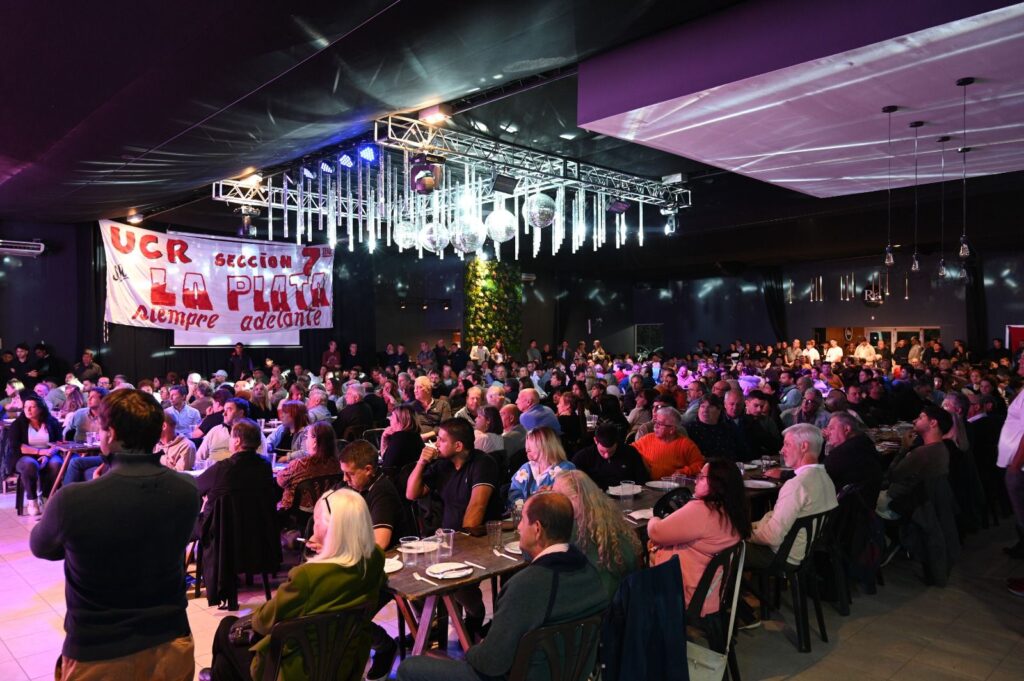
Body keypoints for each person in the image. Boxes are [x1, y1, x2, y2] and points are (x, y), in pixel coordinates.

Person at [30, 389, 200, 680]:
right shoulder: (187, 489)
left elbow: (42, 546)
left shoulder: (73, 500)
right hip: (171, 643)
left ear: (110, 434)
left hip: (98, 653)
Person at [395, 492, 608, 681]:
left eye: (522, 519)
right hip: (572, 673)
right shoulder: (591, 573)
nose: (518, 527)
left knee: (410, 667)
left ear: (537, 529)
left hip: (522, 675)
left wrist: (472, 651)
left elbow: (492, 663)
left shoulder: (527, 585)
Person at [205, 488, 384, 681]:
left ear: (329, 528)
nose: (313, 526)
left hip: (298, 671)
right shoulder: (375, 559)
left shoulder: (306, 576)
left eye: (316, 521)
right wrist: (328, 548)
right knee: (224, 663)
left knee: (226, 628)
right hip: (345, 665)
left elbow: (265, 620)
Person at [405, 418, 503, 636]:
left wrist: (454, 546)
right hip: (449, 538)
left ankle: (474, 614)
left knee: (452, 578)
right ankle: (434, 626)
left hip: (479, 539)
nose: (435, 444)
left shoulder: (483, 463)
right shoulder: (443, 465)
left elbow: (475, 511)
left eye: (441, 440)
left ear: (458, 446)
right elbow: (411, 493)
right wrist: (421, 463)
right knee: (415, 572)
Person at [647, 459, 751, 615]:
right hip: (713, 591)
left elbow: (656, 532)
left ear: (717, 484)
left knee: (645, 548)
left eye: (702, 477)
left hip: (686, 594)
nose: (696, 480)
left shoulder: (704, 510)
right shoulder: (734, 508)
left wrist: (654, 519)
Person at [746, 424, 838, 576]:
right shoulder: (826, 478)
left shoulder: (797, 485)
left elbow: (771, 537)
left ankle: (727, 589)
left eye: (787, 444)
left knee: (722, 547)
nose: (782, 450)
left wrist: (742, 533)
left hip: (784, 556)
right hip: (804, 552)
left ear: (804, 446)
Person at [552, 470, 642, 599]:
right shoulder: (613, 520)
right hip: (627, 597)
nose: (553, 502)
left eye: (558, 497)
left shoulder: (573, 531)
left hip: (599, 602)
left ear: (576, 499)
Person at [11, 394, 64, 515]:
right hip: (24, 456)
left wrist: (47, 455)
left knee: (56, 464)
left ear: (40, 409)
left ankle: (47, 496)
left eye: (32, 407)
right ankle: (32, 500)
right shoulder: (18, 424)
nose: (28, 410)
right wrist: (40, 452)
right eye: (26, 407)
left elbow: (58, 443)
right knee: (30, 464)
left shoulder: (52, 422)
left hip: (49, 454)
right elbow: (18, 446)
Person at [275, 421, 340, 511]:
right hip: (330, 510)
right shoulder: (339, 464)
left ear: (314, 441)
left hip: (297, 512)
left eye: (306, 437)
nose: (306, 440)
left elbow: (280, 481)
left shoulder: (299, 464)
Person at [822, 412, 882, 509]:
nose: (827, 432)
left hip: (843, 510)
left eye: (831, 428)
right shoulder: (865, 443)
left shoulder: (843, 453)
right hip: (865, 507)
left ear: (846, 429)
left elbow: (819, 478)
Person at [571, 422, 649, 490]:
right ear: (595, 440)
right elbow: (573, 483)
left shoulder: (630, 452)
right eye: (602, 452)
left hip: (627, 496)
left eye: (611, 452)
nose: (607, 456)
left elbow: (642, 479)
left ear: (617, 442)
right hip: (597, 498)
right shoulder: (582, 457)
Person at [509, 426, 576, 505]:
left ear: (544, 446)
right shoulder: (526, 468)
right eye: (527, 445)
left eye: (531, 445)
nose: (527, 449)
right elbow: (514, 494)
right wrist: (524, 505)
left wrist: (545, 496)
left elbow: (569, 498)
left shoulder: (566, 469)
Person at [632, 406, 705, 479]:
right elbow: (629, 451)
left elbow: (700, 464)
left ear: (672, 429)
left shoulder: (686, 444)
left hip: (672, 484)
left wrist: (683, 472)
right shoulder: (647, 438)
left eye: (660, 424)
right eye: (656, 422)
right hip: (646, 483)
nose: (655, 426)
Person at [197, 397, 267, 464]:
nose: (224, 414)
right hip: (212, 470)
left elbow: (260, 459)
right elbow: (199, 458)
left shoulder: (253, 432)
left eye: (229, 410)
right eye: (224, 410)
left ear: (241, 413)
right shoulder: (215, 431)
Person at [687, 394, 744, 462]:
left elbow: (737, 453)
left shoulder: (727, 429)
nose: (705, 410)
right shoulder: (689, 429)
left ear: (719, 410)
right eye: (702, 406)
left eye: (710, 407)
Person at [380, 404, 426, 472]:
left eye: (392, 417)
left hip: (399, 477)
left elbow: (386, 467)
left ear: (401, 420)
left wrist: (383, 437)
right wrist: (384, 437)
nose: (390, 420)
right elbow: (385, 457)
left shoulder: (398, 438)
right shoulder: (416, 436)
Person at [410, 375, 452, 439]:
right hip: (416, 440)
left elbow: (446, 426)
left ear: (429, 389)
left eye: (419, 387)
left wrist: (425, 436)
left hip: (437, 440)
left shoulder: (443, 405)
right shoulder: (411, 407)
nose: (415, 390)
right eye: (415, 388)